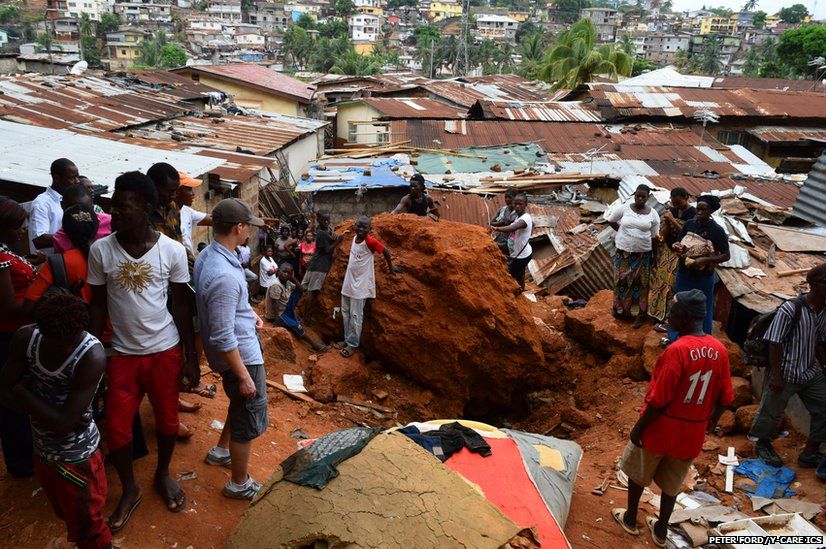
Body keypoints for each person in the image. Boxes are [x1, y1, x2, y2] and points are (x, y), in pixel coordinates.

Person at [87, 172, 199, 531]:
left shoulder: (172, 250)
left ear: (146, 208)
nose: (114, 212)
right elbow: (98, 308)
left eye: (123, 205)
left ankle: (162, 474)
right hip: (120, 355)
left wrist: (191, 357)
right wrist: (90, 355)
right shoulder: (100, 250)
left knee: (167, 423)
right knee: (118, 431)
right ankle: (130, 487)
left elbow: (182, 307)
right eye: (113, 205)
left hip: (164, 352)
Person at [613, 290, 733, 548]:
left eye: (673, 310)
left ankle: (632, 519)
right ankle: (661, 529)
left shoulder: (677, 350)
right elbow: (725, 397)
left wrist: (639, 428)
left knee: (638, 472)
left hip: (661, 427)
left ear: (686, 317)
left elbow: (659, 399)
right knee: (672, 483)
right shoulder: (720, 351)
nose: (669, 315)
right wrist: (712, 420)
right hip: (692, 431)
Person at [0, 294, 110, 549]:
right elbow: (2, 391)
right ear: (42, 331)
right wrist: (52, 414)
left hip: (78, 456)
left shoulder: (91, 355)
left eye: (72, 342)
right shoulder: (26, 338)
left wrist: (23, 393)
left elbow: (62, 424)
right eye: (58, 343)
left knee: (89, 526)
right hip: (43, 450)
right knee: (65, 513)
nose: (66, 349)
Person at [194, 198, 268, 500]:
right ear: (238, 227)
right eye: (248, 225)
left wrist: (248, 313)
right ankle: (239, 483)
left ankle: (222, 451)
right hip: (242, 358)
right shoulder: (223, 275)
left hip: (237, 351)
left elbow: (225, 310)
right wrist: (244, 376)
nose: (250, 231)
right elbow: (224, 335)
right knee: (247, 416)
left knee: (239, 406)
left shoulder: (213, 255)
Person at [748, 264, 826, 468]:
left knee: (824, 409)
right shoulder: (791, 308)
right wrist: (775, 373)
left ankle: (810, 453)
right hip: (786, 371)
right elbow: (775, 342)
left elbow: (819, 341)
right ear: (816, 285)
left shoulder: (823, 310)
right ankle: (762, 444)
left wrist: (823, 366)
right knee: (771, 411)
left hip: (810, 371)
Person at [0, 196, 36, 477]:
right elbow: (10, 306)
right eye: (16, 227)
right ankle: (21, 462)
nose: (22, 231)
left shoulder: (6, 250)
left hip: (18, 333)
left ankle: (25, 453)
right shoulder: (0, 258)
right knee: (12, 398)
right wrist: (41, 301)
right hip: (9, 337)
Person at [335, 216, 401, 358]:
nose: (360, 229)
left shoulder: (370, 241)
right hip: (349, 282)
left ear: (369, 229)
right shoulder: (354, 238)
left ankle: (352, 344)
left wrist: (391, 267)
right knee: (346, 312)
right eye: (358, 226)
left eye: (364, 227)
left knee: (356, 315)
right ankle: (346, 340)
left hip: (360, 285)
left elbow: (385, 251)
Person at [669, 195, 730, 342]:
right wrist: (676, 246)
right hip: (684, 273)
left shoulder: (717, 230)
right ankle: (675, 338)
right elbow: (679, 241)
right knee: (679, 304)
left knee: (703, 308)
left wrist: (706, 259)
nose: (700, 212)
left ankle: (703, 340)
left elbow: (726, 256)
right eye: (698, 208)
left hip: (703, 277)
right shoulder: (689, 224)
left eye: (704, 209)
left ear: (711, 211)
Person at [605, 185, 661, 329]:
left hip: (643, 254)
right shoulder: (624, 209)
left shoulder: (653, 214)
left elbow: (655, 236)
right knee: (621, 280)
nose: (640, 199)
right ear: (634, 195)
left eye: (643, 197)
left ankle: (639, 315)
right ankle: (619, 310)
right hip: (623, 252)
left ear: (648, 198)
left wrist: (655, 255)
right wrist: (622, 232)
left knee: (640, 284)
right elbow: (611, 220)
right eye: (638, 196)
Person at [649, 188, 695, 331]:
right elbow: (662, 236)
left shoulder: (693, 214)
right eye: (674, 203)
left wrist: (672, 220)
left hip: (680, 255)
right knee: (659, 282)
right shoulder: (672, 211)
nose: (676, 206)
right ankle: (656, 314)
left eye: (679, 203)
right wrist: (667, 224)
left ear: (686, 197)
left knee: (671, 285)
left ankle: (669, 318)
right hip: (667, 252)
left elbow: (687, 235)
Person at [265, 263, 328, 352]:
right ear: (278, 271)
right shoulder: (276, 285)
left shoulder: (287, 282)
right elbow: (276, 304)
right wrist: (276, 321)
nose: (285, 274)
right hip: (279, 313)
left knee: (298, 292)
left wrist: (293, 279)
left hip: (285, 308)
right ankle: (313, 344)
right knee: (296, 326)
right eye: (284, 272)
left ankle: (291, 314)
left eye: (289, 273)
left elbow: (301, 289)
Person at [302, 210, 343, 325]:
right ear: (318, 220)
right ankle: (306, 319)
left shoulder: (325, 231)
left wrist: (334, 235)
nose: (327, 221)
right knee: (312, 293)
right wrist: (338, 241)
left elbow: (330, 234)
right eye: (324, 220)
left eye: (328, 219)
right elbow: (327, 250)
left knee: (309, 291)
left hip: (314, 264)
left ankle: (305, 316)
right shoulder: (322, 233)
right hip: (319, 266)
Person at [29, 158, 79, 253]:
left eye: (77, 177)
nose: (77, 181)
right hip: (50, 265)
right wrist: (75, 236)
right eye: (72, 178)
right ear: (57, 178)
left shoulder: (73, 199)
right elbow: (39, 240)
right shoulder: (42, 203)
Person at [491, 193, 533, 292]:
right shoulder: (517, 216)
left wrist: (497, 228)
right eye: (515, 204)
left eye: (520, 204)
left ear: (526, 204)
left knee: (511, 275)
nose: (517, 206)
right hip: (519, 253)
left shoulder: (525, 218)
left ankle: (514, 293)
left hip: (521, 256)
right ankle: (521, 289)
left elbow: (513, 227)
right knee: (521, 273)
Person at [53, 185, 112, 254]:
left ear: (92, 205)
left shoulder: (110, 222)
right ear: (63, 206)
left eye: (87, 209)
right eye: (74, 210)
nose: (81, 214)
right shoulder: (60, 238)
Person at [175, 172, 212, 254]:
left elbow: (213, 219)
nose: (193, 194)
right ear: (177, 192)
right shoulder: (167, 217)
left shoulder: (187, 211)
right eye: (189, 189)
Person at [147, 163, 183, 243]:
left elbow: (178, 240)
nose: (173, 196)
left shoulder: (172, 207)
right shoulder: (141, 215)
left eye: (175, 191)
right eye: (169, 191)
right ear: (153, 187)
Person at [490, 189, 518, 256]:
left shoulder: (518, 211)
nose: (507, 199)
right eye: (506, 197)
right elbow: (491, 222)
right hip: (499, 238)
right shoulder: (502, 209)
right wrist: (500, 223)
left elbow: (509, 223)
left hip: (511, 242)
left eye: (509, 197)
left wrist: (501, 223)